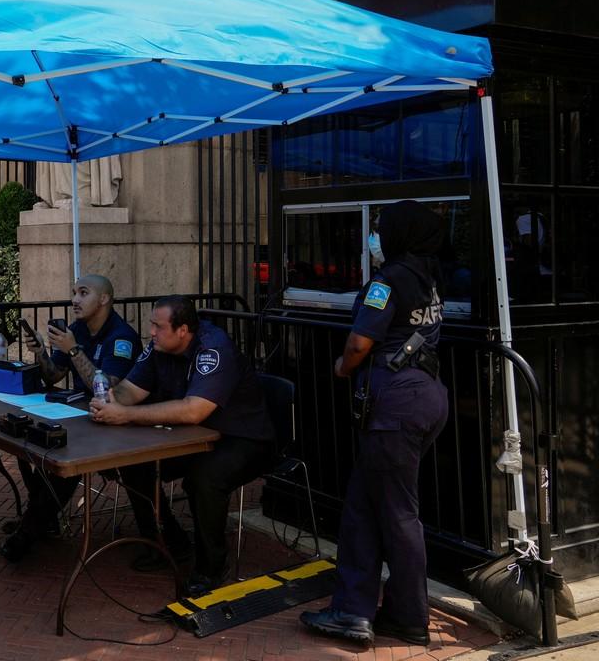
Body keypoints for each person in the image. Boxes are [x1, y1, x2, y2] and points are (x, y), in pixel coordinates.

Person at [300, 200, 449, 647]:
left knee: (398, 514)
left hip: (395, 406)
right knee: (364, 508)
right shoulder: (428, 275)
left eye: (382, 229)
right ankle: (354, 610)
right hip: (423, 396)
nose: (376, 237)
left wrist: (343, 367)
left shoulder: (387, 282)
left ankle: (406, 616)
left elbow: (361, 341)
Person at [91, 296, 275, 595]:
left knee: (205, 479)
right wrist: (108, 402)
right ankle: (167, 543)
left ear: (183, 330)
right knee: (133, 461)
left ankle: (210, 569)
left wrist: (126, 415)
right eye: (151, 324)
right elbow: (129, 390)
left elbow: (194, 410)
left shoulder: (213, 348)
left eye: (158, 326)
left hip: (242, 438)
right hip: (190, 436)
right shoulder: (159, 346)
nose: (151, 332)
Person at [0, 275, 141, 562]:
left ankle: (29, 531)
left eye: (83, 293)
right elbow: (54, 375)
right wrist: (40, 353)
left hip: (113, 423)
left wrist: (74, 350)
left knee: (62, 456)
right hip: (78, 416)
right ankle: (41, 519)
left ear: (103, 299)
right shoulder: (78, 328)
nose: (74, 300)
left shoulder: (121, 337)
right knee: (28, 440)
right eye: (74, 293)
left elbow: (110, 388)